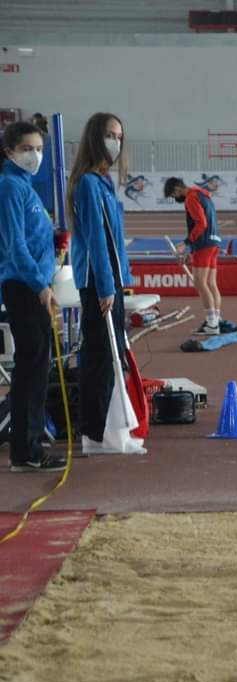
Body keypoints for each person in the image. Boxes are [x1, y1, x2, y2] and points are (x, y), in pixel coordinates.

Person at [65, 112, 136, 453]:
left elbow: (113, 238)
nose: (116, 142)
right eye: (110, 135)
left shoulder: (104, 183)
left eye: (120, 136)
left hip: (110, 281)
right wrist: (106, 286)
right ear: (95, 137)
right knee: (100, 357)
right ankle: (95, 435)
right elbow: (96, 240)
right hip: (97, 284)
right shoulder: (89, 185)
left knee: (111, 354)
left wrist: (122, 277)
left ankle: (106, 432)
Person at [0, 121, 65, 471]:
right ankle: (27, 450)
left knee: (36, 366)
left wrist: (54, 237)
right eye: (27, 148)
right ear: (9, 151)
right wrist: (40, 286)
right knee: (32, 368)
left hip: (32, 283)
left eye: (39, 149)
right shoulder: (10, 186)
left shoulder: (24, 187)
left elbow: (32, 235)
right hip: (25, 286)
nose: (35, 155)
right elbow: (14, 246)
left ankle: (26, 448)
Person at [164, 177, 223, 335]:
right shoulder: (202, 195)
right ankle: (216, 321)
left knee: (200, 283)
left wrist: (186, 243)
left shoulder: (191, 198)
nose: (175, 198)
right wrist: (192, 251)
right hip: (214, 242)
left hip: (204, 244)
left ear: (177, 189)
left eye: (173, 195)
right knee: (210, 283)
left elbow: (201, 223)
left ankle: (212, 325)